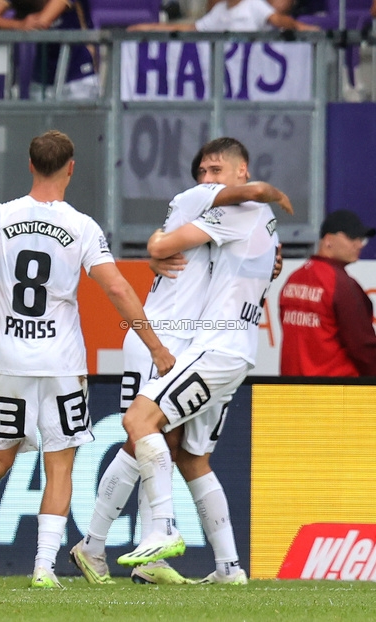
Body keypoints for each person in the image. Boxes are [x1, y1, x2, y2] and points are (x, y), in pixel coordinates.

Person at [0, 130, 174, 589]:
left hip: (6, 360)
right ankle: (43, 567)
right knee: (60, 465)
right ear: (71, 167)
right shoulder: (81, 226)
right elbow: (118, 289)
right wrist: (156, 347)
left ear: (30, 164)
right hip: (62, 365)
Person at [69, 145, 292, 586]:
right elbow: (161, 243)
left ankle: (142, 546)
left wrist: (158, 247)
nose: (208, 178)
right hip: (164, 339)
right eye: (203, 171)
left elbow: (176, 244)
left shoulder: (236, 214)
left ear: (240, 170)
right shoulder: (201, 200)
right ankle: (119, 544)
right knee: (159, 444)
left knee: (174, 448)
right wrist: (155, 248)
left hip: (200, 345)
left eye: (217, 169)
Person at [278, 209, 376, 377]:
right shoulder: (341, 284)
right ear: (328, 240)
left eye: (361, 239)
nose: (359, 244)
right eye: (351, 237)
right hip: (334, 394)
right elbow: (363, 348)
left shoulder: (293, 279)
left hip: (293, 392)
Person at [0, 0, 99, 99]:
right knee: (43, 127)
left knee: (77, 127)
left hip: (77, 75)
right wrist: (19, 24)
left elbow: (41, 22)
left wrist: (21, 19)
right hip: (43, 77)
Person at [130, 0, 319, 32]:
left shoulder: (253, 5)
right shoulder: (219, 11)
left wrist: (305, 29)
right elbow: (190, 29)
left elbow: (279, 20)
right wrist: (148, 28)